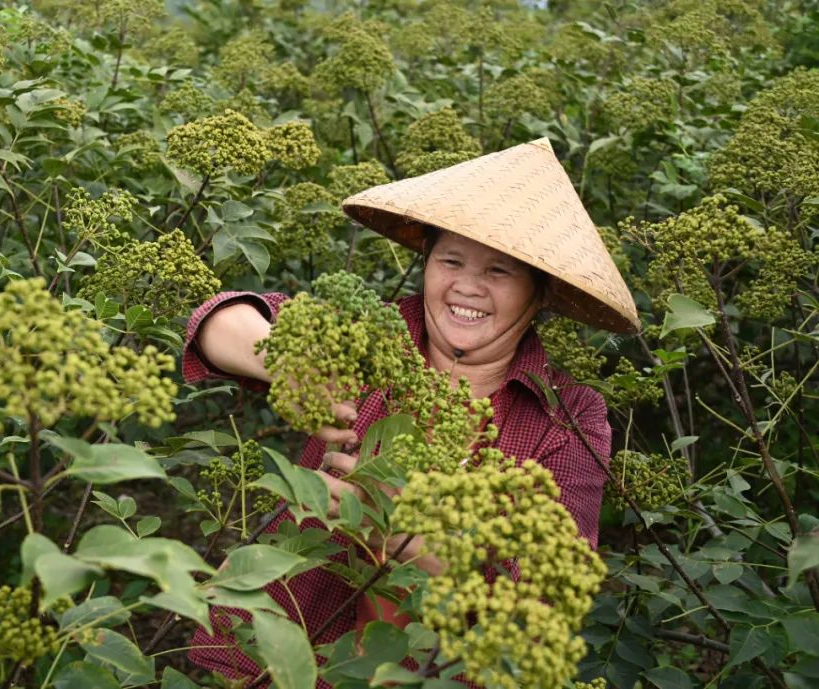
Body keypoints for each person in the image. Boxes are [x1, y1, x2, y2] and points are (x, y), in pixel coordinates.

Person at [182, 138, 640, 683]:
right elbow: (216, 321)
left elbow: (543, 600)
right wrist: (290, 364)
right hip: (264, 655)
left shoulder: (570, 418)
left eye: (499, 272)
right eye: (450, 260)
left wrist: (398, 533)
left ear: (538, 294)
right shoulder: (374, 335)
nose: (466, 286)